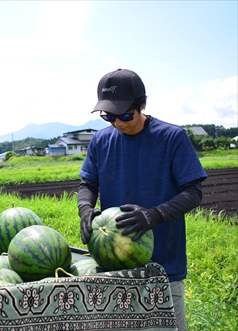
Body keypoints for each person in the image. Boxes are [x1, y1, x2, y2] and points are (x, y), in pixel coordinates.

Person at [78, 68, 207, 331]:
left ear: (143, 104)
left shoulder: (172, 138)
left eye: (125, 114)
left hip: (163, 268)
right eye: (108, 116)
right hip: (115, 270)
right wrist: (85, 208)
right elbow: (88, 184)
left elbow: (193, 192)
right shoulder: (101, 141)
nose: (118, 123)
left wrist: (154, 215)